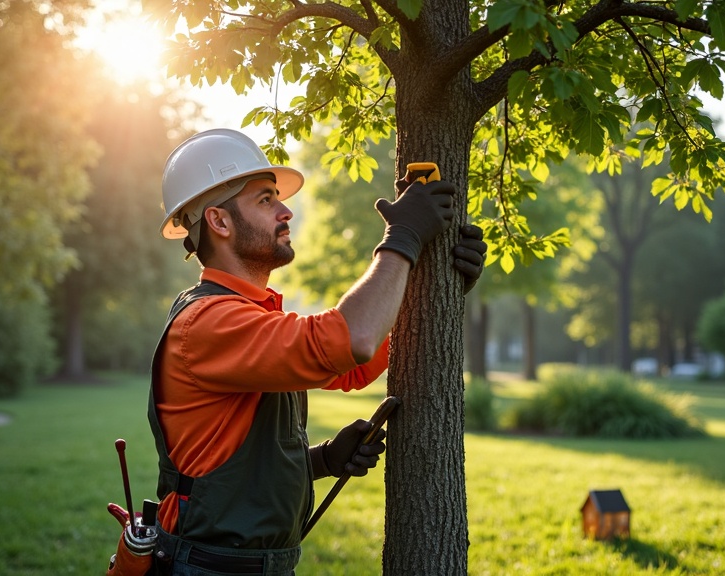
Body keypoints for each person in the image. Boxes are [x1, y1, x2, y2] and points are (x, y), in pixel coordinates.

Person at [147, 129, 487, 575]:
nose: (286, 211)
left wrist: (436, 292)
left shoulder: (244, 315)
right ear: (219, 221)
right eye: (266, 200)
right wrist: (403, 237)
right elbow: (353, 338)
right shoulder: (209, 324)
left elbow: (352, 365)